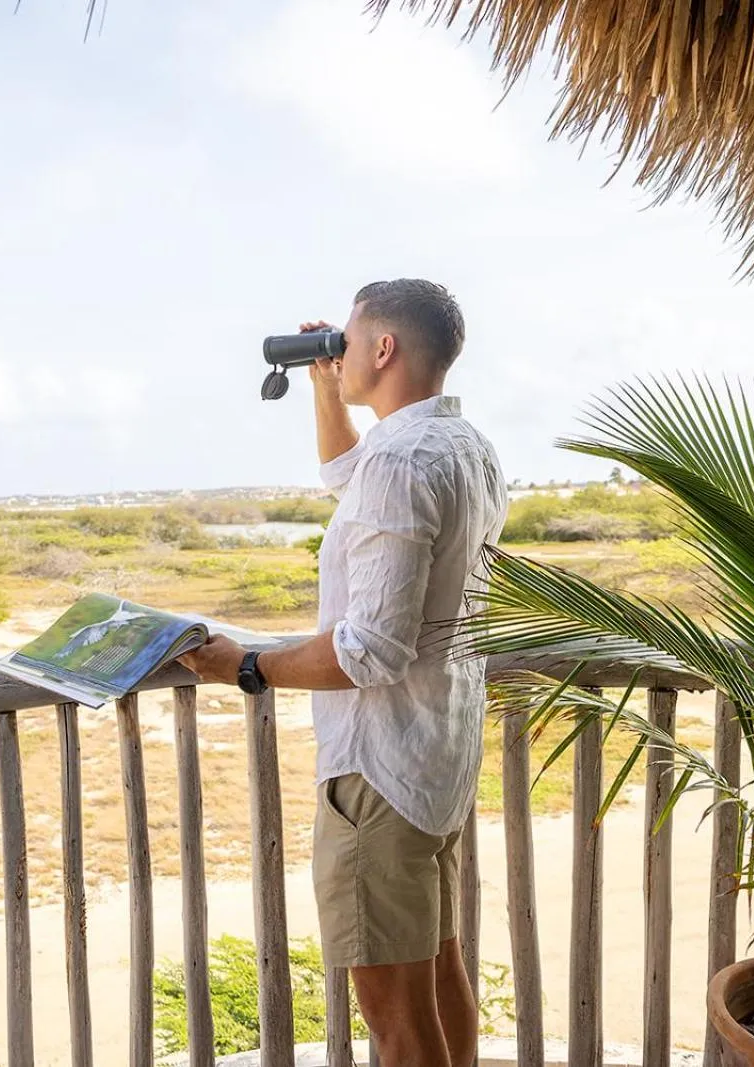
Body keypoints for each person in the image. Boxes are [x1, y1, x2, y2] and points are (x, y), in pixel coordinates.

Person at [179, 279, 507, 1067]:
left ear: (384, 349)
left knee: (394, 1013)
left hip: (381, 769)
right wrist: (328, 389)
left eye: (349, 340)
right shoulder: (465, 447)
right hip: (439, 750)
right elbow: (351, 479)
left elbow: (370, 650)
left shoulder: (402, 463)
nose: (340, 349)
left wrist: (245, 663)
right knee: (438, 967)